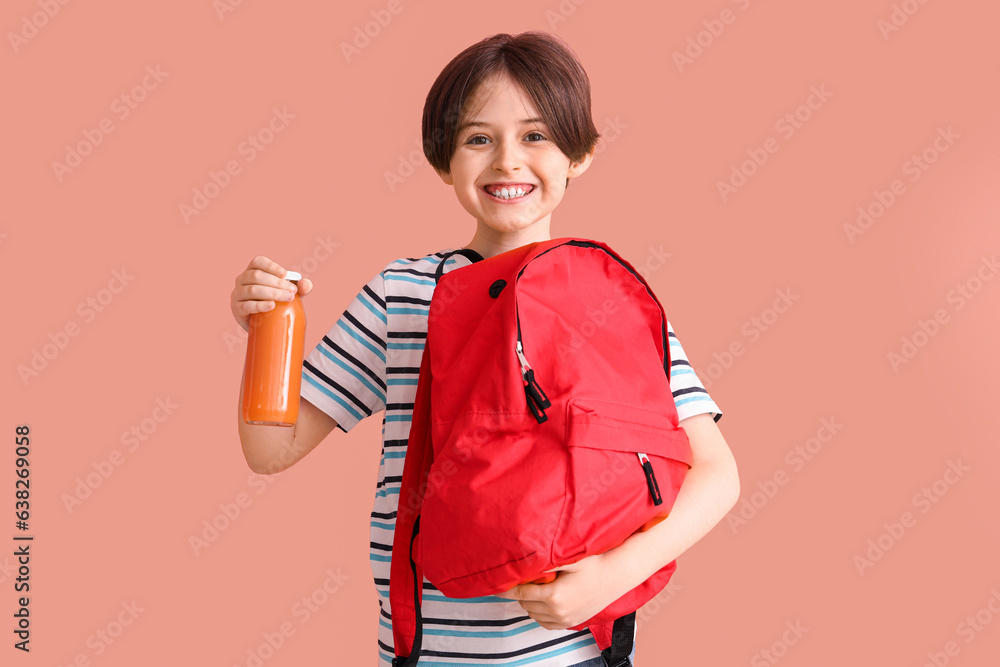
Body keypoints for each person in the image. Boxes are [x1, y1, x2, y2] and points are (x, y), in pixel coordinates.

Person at [231, 31, 740, 667]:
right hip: (430, 653)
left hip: (577, 652)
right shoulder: (401, 295)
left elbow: (717, 475)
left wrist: (610, 579)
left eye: (535, 136)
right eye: (478, 138)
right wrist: (267, 330)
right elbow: (270, 449)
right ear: (443, 160)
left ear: (579, 154)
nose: (507, 161)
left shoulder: (611, 296)